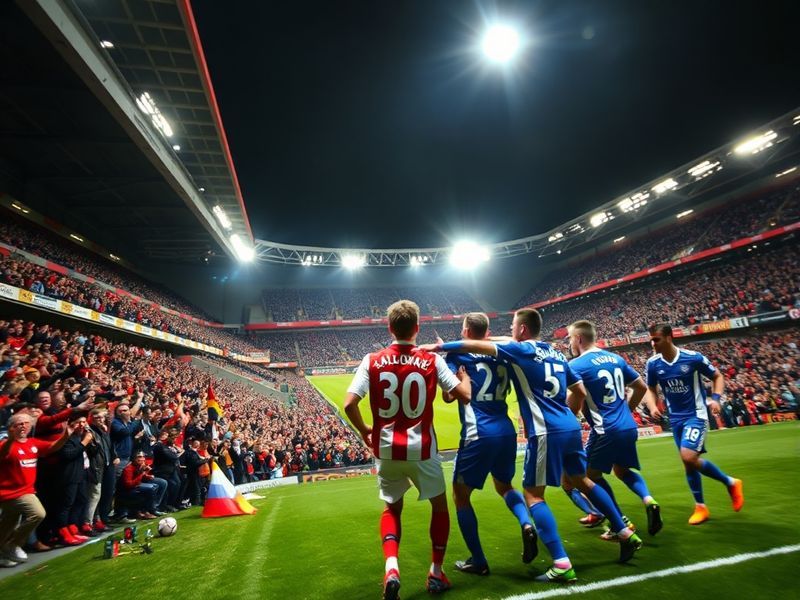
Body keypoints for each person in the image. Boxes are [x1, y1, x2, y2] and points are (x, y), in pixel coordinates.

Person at [425, 308, 643, 584]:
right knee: (581, 481)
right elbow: (580, 391)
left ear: (522, 329)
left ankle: (550, 562)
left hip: (514, 430)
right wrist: (568, 417)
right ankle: (624, 531)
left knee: (529, 495)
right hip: (565, 426)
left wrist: (439, 346)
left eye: (515, 325)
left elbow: (452, 395)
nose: (512, 329)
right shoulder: (552, 351)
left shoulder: (507, 352)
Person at [344, 300, 471, 599]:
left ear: (389, 327)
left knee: (391, 508)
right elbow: (463, 396)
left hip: (386, 450)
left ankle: (392, 568)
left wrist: (365, 431)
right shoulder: (431, 360)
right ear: (417, 327)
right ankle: (436, 574)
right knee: (439, 507)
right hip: (422, 450)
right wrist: (463, 378)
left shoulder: (371, 360)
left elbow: (349, 404)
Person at [440, 313, 536, 576]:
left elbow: (449, 396)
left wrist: (458, 376)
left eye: (462, 329)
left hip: (478, 432)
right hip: (506, 430)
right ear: (487, 331)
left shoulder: (457, 355)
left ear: (467, 330)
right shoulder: (501, 352)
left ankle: (479, 560)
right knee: (504, 485)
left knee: (461, 496)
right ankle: (526, 523)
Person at [566, 320, 662, 539]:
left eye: (570, 338)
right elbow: (640, 387)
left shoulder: (576, 365)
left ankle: (619, 523)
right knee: (622, 470)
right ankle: (649, 500)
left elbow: (575, 397)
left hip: (605, 429)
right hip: (628, 425)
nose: (570, 343)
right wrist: (627, 410)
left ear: (579, 339)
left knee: (588, 477)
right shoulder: (615, 358)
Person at [643, 324, 744, 525]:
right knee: (687, 462)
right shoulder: (653, 363)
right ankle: (701, 507)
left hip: (696, 415)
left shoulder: (693, 358)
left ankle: (730, 482)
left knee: (688, 456)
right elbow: (651, 389)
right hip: (675, 419)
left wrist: (715, 398)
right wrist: (653, 406)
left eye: (656, 339)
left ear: (669, 337)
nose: (652, 344)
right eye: (651, 340)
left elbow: (717, 376)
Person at [0, 412, 69, 567]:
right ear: (11, 427)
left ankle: (3, 552)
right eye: (19, 424)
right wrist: (11, 439)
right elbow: (2, 454)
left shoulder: (33, 443)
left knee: (7, 524)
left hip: (26, 491)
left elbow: (51, 447)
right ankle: (11, 544)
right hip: (11, 493)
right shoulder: (6, 444)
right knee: (38, 513)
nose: (23, 426)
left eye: (26, 423)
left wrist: (65, 436)